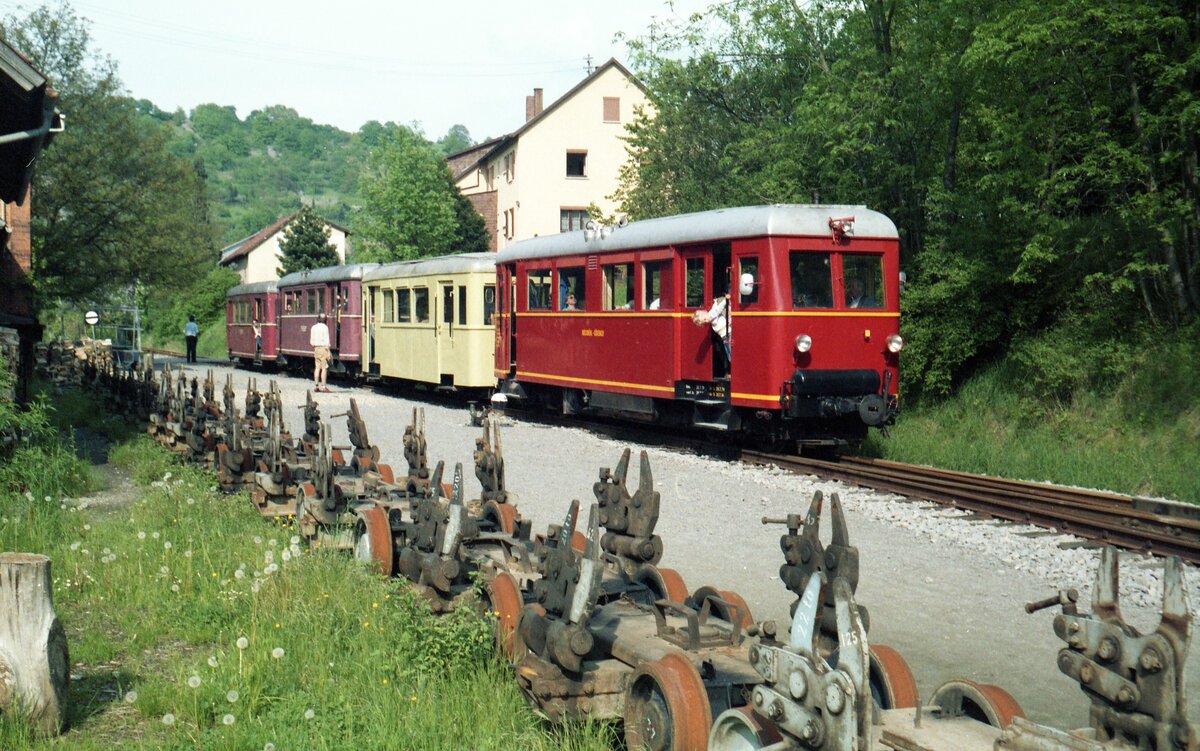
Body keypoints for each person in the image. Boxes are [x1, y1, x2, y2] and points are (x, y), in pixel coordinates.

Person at [692, 293, 731, 363]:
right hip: (725, 337)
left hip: (729, 333)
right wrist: (718, 302)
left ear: (706, 313)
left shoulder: (711, 314)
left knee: (731, 354)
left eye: (705, 318)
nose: (707, 320)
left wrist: (725, 300)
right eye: (704, 321)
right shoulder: (711, 317)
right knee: (729, 354)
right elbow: (716, 308)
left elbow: (718, 309)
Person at [310, 314, 331, 392]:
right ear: (325, 319)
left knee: (317, 367)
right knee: (324, 368)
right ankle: (323, 386)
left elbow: (311, 342)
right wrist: (328, 351)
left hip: (316, 348)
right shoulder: (325, 327)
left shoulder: (313, 327)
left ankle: (316, 386)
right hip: (323, 348)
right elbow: (327, 340)